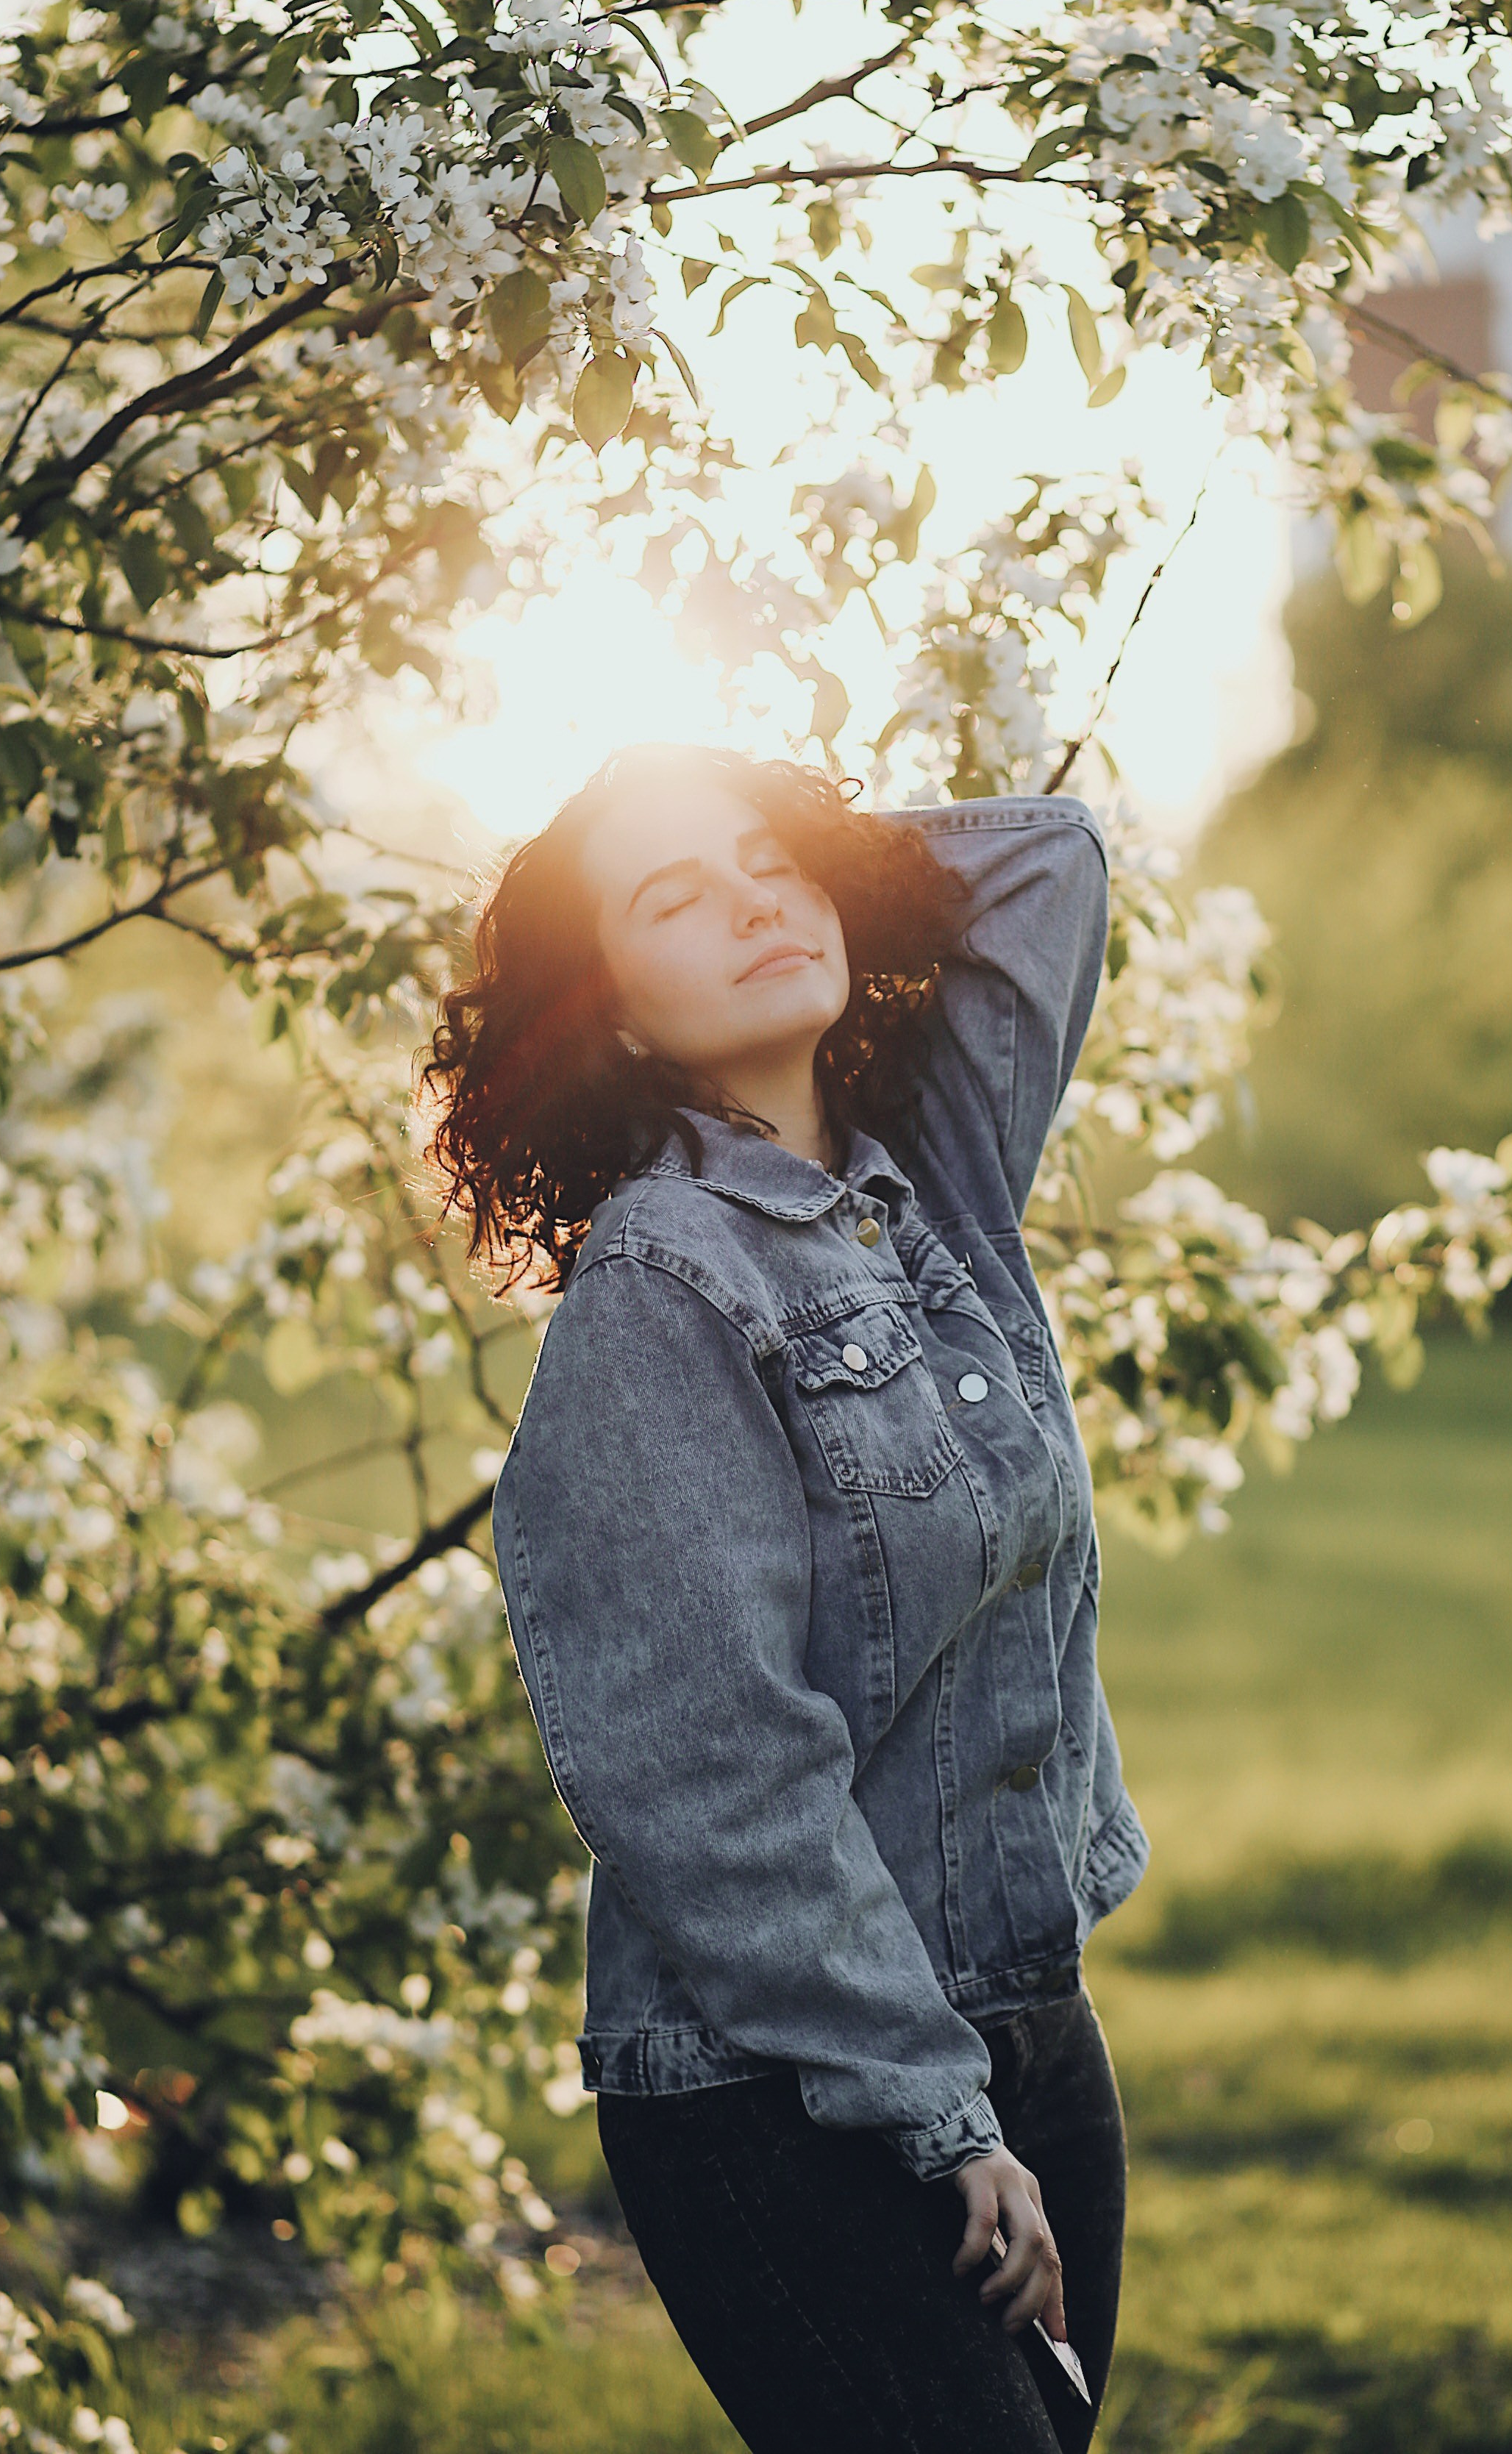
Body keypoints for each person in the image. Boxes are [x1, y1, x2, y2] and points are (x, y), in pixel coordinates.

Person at [424, 743, 1149, 2454]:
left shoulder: (924, 1192)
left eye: (773, 863)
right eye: (672, 899)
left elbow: (1045, 862)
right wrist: (934, 2115)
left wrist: (795, 844)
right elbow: (709, 1772)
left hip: (1023, 2021)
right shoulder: (658, 1291)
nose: (751, 897)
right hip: (789, 2088)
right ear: (601, 1014)